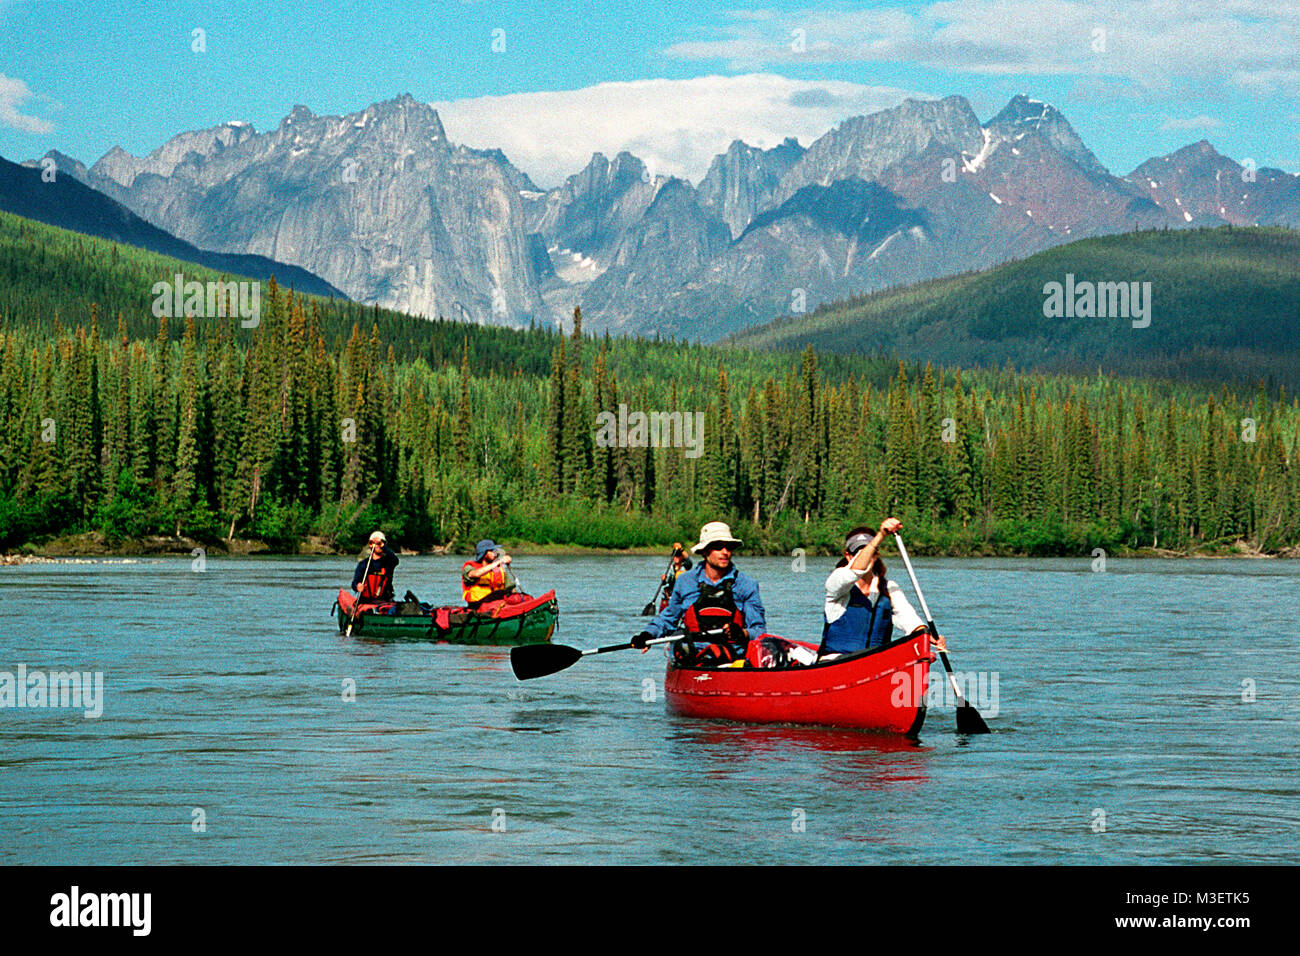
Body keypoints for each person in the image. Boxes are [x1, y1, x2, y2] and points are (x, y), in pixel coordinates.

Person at [633, 522, 765, 666]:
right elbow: (668, 619)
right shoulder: (685, 581)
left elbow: (759, 631)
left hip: (731, 659)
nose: (725, 552)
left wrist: (742, 633)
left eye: (729, 547)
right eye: (718, 546)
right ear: (704, 551)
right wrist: (647, 635)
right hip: (692, 656)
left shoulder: (747, 584)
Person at [819, 519, 945, 659]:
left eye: (869, 553)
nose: (865, 558)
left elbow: (910, 620)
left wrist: (925, 635)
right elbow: (857, 569)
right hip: (835, 662)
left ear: (876, 555)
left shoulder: (889, 588)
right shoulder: (837, 581)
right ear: (848, 556)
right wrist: (881, 535)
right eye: (857, 553)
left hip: (876, 663)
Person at [461, 539, 519, 610]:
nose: (495, 553)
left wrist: (518, 598)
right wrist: (499, 561)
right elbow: (475, 574)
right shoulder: (469, 567)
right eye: (491, 551)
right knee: (498, 605)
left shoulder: (499, 570)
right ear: (484, 553)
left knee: (520, 599)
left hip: (498, 603)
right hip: (478, 605)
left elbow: (511, 589)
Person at [352, 531, 399, 603]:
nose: (377, 545)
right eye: (373, 543)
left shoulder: (389, 562)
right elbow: (354, 583)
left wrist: (382, 545)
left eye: (379, 543)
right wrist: (357, 586)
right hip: (366, 601)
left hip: (384, 600)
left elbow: (395, 560)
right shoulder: (363, 564)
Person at [658, 543, 693, 612]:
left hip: (682, 595)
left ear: (681, 557)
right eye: (675, 556)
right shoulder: (670, 568)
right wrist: (664, 580)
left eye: (678, 556)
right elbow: (665, 583)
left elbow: (688, 559)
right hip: (671, 595)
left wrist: (681, 549)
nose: (676, 558)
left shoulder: (686, 566)